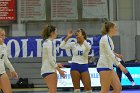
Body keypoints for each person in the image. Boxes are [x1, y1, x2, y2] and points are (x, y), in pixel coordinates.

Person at [97, 22, 127, 93]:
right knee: (104, 90)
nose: (116, 29)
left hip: (109, 66)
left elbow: (110, 51)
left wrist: (117, 55)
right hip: (104, 66)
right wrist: (120, 66)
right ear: (110, 29)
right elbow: (109, 53)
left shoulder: (109, 38)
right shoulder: (105, 38)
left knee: (118, 88)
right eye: (115, 27)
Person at [60, 29, 92, 93]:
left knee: (88, 90)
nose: (77, 37)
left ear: (83, 35)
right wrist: (68, 37)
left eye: (79, 35)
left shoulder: (87, 44)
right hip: (75, 66)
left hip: (84, 66)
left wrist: (82, 38)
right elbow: (61, 46)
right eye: (76, 36)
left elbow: (89, 48)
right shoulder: (73, 44)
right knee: (76, 90)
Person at [41, 25, 66, 93]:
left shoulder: (47, 42)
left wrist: (57, 64)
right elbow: (50, 59)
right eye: (56, 32)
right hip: (49, 70)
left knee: (51, 91)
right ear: (52, 33)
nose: (57, 33)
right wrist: (59, 70)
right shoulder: (49, 43)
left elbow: (48, 59)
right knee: (53, 91)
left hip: (46, 70)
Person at [0, 28, 18, 93]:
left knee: (8, 91)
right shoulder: (2, 46)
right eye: (2, 35)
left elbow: (6, 60)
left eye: (4, 35)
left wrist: (12, 70)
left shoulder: (4, 46)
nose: (4, 37)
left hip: (2, 72)